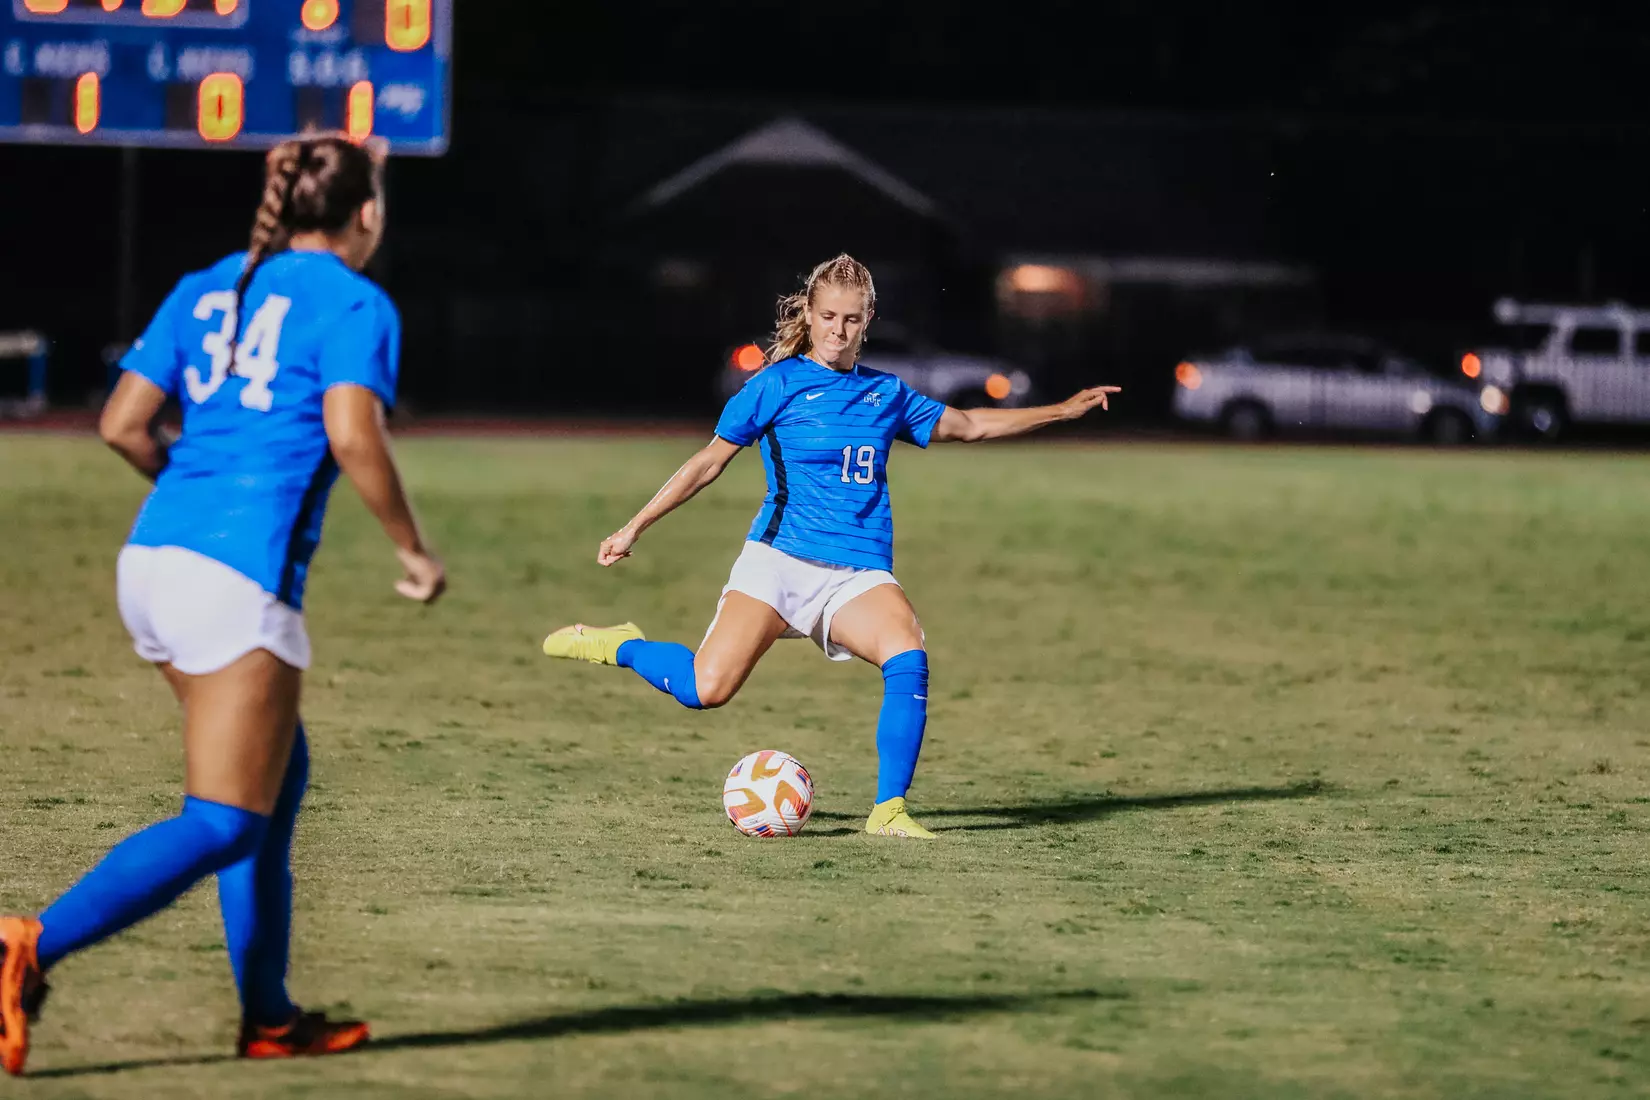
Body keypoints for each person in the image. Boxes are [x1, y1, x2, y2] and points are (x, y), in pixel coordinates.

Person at [0, 134, 445, 1077]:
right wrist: (413, 548)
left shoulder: (208, 284)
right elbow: (352, 435)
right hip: (235, 581)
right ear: (366, 214)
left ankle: (270, 1019)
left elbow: (121, 423)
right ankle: (31, 942)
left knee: (271, 790)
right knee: (227, 820)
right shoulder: (356, 301)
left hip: (151, 560)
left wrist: (190, 503)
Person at [540, 254, 1117, 839]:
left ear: (868, 322)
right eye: (829, 317)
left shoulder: (886, 393)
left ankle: (889, 811)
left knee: (907, 654)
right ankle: (623, 646)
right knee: (703, 690)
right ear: (810, 316)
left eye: (852, 319)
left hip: (856, 573)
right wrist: (634, 526)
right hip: (779, 563)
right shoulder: (775, 384)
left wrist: (1062, 410)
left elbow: (968, 425)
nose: (839, 330)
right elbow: (707, 464)